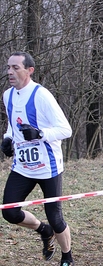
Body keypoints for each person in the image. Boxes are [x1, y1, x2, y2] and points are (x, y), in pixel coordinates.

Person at [1, 51, 74, 266]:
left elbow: (65, 129)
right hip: (23, 166)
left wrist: (40, 134)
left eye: (16, 68)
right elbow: (12, 126)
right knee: (10, 212)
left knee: (56, 217)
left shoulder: (41, 96)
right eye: (8, 67)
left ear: (29, 70)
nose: (10, 72)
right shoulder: (8, 95)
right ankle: (43, 230)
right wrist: (7, 140)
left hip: (48, 167)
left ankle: (67, 257)